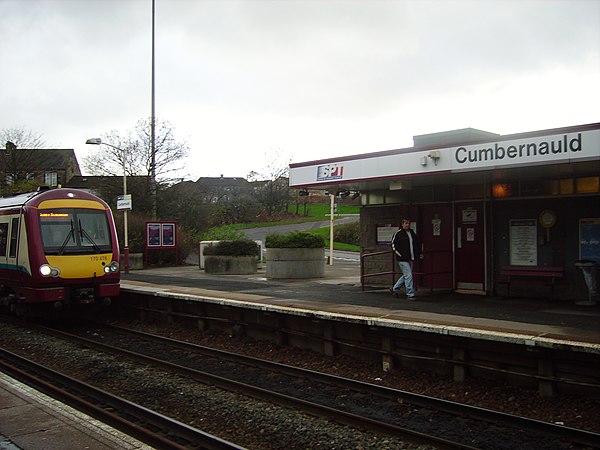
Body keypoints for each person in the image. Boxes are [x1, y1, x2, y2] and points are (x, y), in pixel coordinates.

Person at [390, 218, 421, 300]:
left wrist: (418, 254)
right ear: (402, 224)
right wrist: (399, 254)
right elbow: (393, 245)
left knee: (406, 275)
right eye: (406, 223)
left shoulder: (412, 233)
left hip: (410, 257)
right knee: (409, 275)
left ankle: (395, 288)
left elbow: (417, 243)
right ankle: (410, 294)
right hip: (402, 258)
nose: (407, 225)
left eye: (408, 223)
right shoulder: (398, 234)